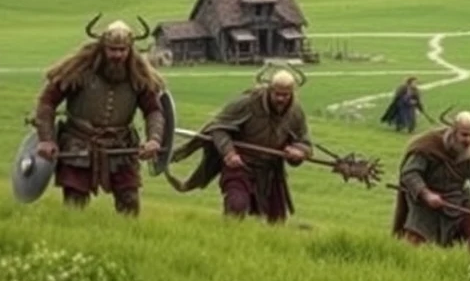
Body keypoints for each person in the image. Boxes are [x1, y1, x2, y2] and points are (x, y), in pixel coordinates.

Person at [32, 16, 165, 216]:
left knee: (129, 202)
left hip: (121, 146)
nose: (117, 55)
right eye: (112, 49)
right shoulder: (78, 71)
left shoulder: (139, 77)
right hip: (79, 144)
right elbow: (47, 103)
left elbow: (153, 111)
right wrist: (46, 140)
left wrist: (154, 140)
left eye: (123, 50)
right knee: (74, 204)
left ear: (130, 50)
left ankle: (128, 243)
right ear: (102, 48)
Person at [169, 67, 311, 223]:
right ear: (269, 90)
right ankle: (228, 240)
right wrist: (229, 153)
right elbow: (217, 128)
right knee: (236, 207)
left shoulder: (295, 112)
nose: (281, 99)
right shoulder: (247, 103)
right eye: (277, 94)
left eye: (285, 95)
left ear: (292, 93)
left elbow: (304, 143)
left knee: (276, 221)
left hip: (269, 171)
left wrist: (298, 152)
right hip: (240, 164)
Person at [392, 110, 470, 255]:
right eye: (464, 134)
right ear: (454, 131)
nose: (468, 140)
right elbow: (410, 173)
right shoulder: (428, 145)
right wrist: (426, 194)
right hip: (425, 201)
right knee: (416, 239)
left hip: (457, 199)